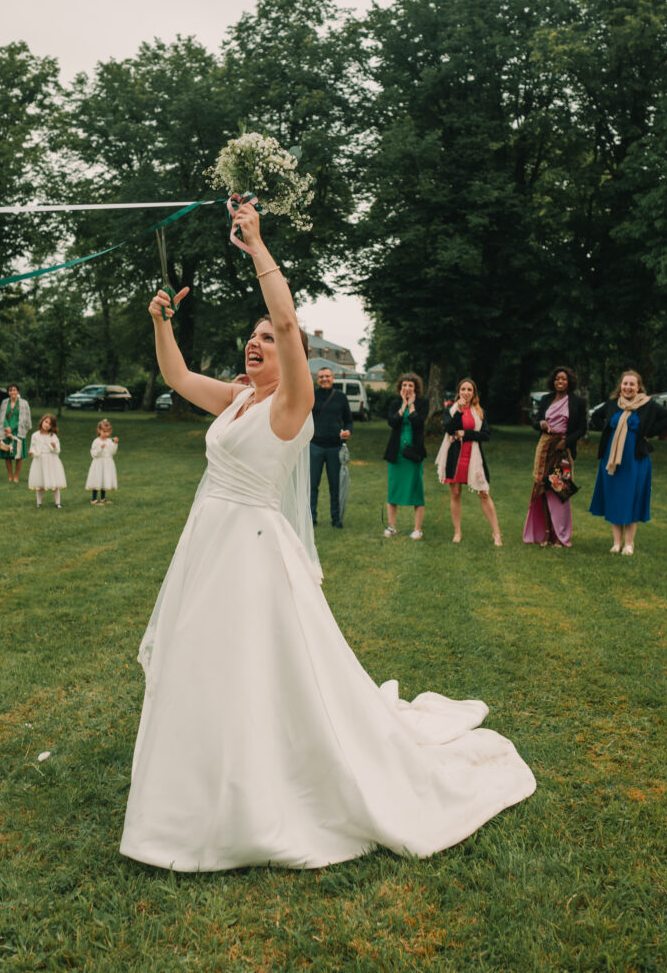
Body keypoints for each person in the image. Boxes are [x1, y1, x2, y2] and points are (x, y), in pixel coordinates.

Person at [121, 201, 534, 872]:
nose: (255, 344)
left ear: (289, 355)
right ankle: (193, 790)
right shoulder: (238, 399)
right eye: (248, 340)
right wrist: (162, 324)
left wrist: (256, 245)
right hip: (209, 546)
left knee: (254, 670)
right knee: (203, 664)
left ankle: (253, 793)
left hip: (251, 549)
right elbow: (174, 377)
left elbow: (286, 319)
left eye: (266, 340)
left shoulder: (293, 404)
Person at [587, 370, 667, 554]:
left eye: (631, 384)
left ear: (638, 387)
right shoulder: (613, 404)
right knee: (614, 496)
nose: (627, 387)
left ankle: (629, 543)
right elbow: (595, 417)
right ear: (620, 386)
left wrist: (647, 433)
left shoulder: (648, 405)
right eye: (625, 383)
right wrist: (606, 430)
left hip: (635, 459)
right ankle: (616, 542)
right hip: (611, 459)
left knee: (631, 497)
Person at [523, 366, 588, 547]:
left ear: (569, 382)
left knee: (560, 489)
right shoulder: (546, 399)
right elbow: (535, 423)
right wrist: (541, 424)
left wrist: (566, 442)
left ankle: (561, 536)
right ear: (553, 381)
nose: (560, 382)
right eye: (557, 379)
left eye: (564, 379)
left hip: (562, 448)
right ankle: (545, 533)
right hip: (544, 447)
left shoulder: (577, 402)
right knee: (542, 488)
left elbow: (582, 428)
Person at [435, 378, 502, 545]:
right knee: (455, 493)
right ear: (459, 392)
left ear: (474, 393)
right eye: (463, 389)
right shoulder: (450, 410)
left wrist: (466, 434)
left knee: (484, 493)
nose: (466, 392)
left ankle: (497, 533)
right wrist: (459, 410)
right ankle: (457, 532)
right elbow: (449, 429)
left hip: (474, 457)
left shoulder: (479, 411)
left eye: (469, 390)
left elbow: (485, 435)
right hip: (455, 457)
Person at [382, 372, 429, 539]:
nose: (407, 388)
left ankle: (417, 529)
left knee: (416, 489)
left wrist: (412, 406)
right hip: (396, 454)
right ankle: (391, 526)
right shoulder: (395, 403)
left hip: (414, 453)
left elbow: (419, 423)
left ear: (415, 388)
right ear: (400, 388)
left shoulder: (423, 403)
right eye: (404, 386)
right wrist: (403, 405)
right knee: (393, 490)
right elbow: (392, 422)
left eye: (410, 386)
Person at [308, 367, 353, 528]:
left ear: (333, 378)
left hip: (335, 448)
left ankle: (336, 519)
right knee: (312, 486)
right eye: (321, 377)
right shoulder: (311, 395)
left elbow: (348, 420)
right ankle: (311, 517)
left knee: (335, 486)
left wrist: (348, 431)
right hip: (315, 447)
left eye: (327, 376)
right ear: (316, 379)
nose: (324, 379)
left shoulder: (341, 397)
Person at [28, 414, 66, 508]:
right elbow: (33, 447)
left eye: (49, 424)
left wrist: (54, 447)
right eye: (46, 422)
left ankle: (57, 502)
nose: (46, 425)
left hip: (51, 460)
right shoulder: (35, 435)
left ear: (52, 427)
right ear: (42, 421)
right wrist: (32, 453)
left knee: (55, 480)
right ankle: (39, 503)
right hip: (39, 460)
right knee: (39, 481)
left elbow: (58, 451)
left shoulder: (53, 436)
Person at [0, 384, 31, 484]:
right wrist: (6, 428)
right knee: (7, 454)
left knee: (18, 455)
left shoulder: (24, 403)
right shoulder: (4, 403)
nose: (12, 392)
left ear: (18, 391)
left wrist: (12, 428)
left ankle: (16, 476)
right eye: (10, 390)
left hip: (18, 431)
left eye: (14, 390)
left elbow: (25, 419)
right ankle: (10, 476)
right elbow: (2, 417)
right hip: (6, 431)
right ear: (8, 392)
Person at [86, 418, 119, 504]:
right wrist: (101, 448)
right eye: (103, 431)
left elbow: (112, 452)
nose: (105, 433)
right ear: (99, 430)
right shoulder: (96, 441)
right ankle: (94, 499)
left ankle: (103, 498)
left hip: (107, 463)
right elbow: (93, 454)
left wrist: (115, 444)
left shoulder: (109, 441)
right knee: (97, 479)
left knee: (105, 478)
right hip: (98, 463)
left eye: (107, 432)